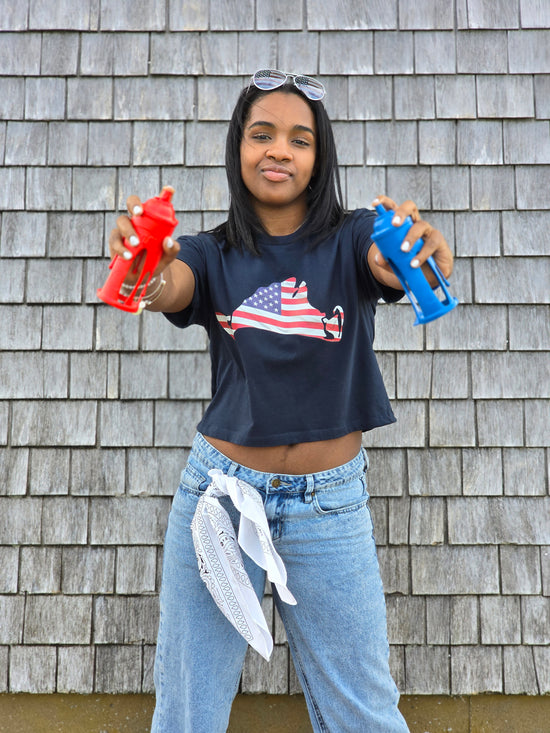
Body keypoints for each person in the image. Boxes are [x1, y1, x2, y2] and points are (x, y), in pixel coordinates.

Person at [108, 69, 453, 733]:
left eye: (299, 139)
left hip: (330, 505)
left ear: (318, 157)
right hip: (218, 498)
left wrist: (411, 252)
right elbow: (169, 285)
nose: (278, 150)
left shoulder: (353, 239)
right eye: (261, 134)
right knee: (186, 712)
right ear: (239, 147)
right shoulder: (210, 254)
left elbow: (387, 265)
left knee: (366, 715)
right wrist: (145, 266)